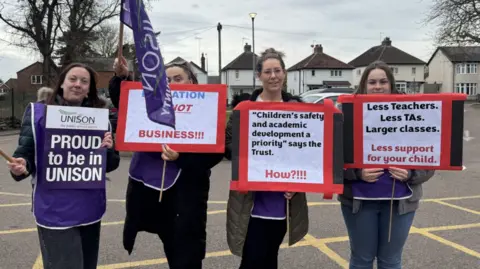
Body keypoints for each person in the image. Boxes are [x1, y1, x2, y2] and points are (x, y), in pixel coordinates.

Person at [108, 57, 224, 269]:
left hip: (186, 196)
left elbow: (215, 154)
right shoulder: (152, 103)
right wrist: (121, 77)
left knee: (186, 256)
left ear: (191, 82)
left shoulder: (206, 109)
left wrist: (182, 157)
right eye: (166, 80)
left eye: (177, 78)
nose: (171, 84)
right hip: (153, 192)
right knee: (169, 244)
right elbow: (126, 102)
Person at [7, 63, 120, 269]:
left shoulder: (100, 119)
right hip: (54, 210)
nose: (78, 84)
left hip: (90, 209)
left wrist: (109, 150)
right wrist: (21, 166)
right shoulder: (38, 114)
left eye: (84, 81)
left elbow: (110, 165)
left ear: (89, 89)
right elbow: (24, 156)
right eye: (73, 79)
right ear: (62, 83)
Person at [339, 60, 435, 269]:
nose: (378, 86)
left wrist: (411, 172)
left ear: (391, 84)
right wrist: (356, 173)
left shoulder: (413, 113)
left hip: (400, 201)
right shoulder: (345, 113)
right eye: (372, 82)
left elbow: (431, 159)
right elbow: (329, 158)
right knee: (361, 259)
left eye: (383, 81)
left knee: (390, 260)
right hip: (359, 201)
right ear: (364, 85)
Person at [224, 48, 309, 269]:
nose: (273, 76)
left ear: (285, 73)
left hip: (281, 201)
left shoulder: (298, 110)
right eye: (268, 71)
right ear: (259, 75)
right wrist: (255, 151)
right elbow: (228, 145)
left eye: (278, 70)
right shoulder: (244, 109)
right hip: (250, 200)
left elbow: (308, 153)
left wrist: (298, 183)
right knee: (252, 259)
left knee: (269, 257)